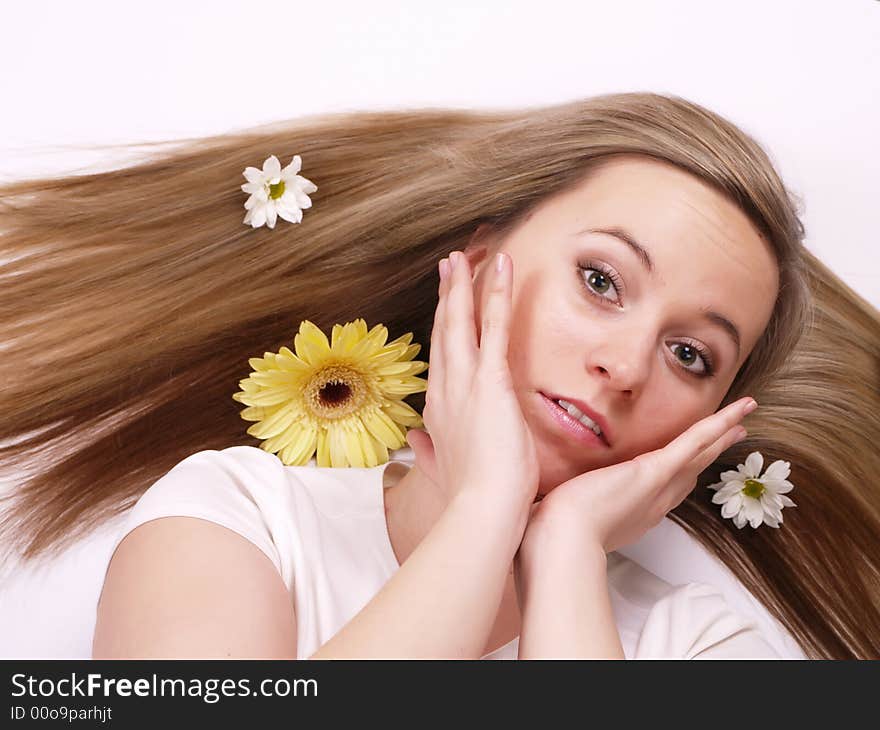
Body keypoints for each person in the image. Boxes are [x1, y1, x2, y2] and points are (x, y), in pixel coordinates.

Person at [0, 93, 878, 659]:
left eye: (692, 356)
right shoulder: (241, 517)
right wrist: (484, 513)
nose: (624, 367)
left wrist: (564, 555)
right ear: (482, 265)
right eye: (601, 280)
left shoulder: (699, 647)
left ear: (710, 420)